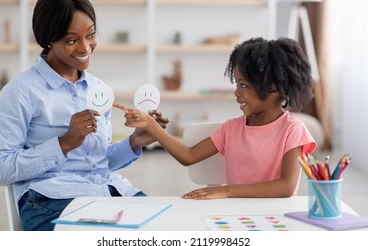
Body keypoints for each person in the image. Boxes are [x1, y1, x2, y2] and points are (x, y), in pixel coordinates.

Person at [0, 0, 168, 231]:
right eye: (72, 40)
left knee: (165, 230)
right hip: (51, 200)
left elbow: (97, 162)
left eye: (91, 35)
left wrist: (134, 142)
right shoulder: (21, 92)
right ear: (48, 39)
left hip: (106, 191)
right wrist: (64, 143)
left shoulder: (98, 89)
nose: (85, 48)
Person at [114, 37, 317, 200]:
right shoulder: (232, 129)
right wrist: (151, 125)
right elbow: (189, 156)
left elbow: (286, 187)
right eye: (236, 84)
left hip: (274, 217)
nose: (236, 93)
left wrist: (227, 190)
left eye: (244, 85)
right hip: (233, 215)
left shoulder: (293, 130)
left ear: (272, 89)